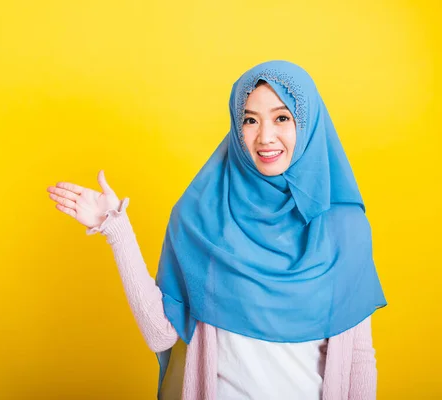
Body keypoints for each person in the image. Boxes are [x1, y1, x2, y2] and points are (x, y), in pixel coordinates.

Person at [47, 60, 387, 400]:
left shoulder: (345, 229)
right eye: (250, 120)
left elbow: (357, 358)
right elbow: (160, 335)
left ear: (309, 123)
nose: (265, 136)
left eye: (282, 118)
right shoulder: (200, 220)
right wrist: (115, 229)